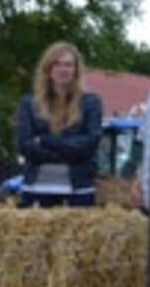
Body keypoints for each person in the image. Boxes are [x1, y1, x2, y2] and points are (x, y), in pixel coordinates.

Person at [15, 41, 103, 208]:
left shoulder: (91, 103)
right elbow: (25, 146)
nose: (63, 69)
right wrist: (69, 153)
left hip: (79, 190)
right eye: (57, 64)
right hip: (37, 189)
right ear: (48, 68)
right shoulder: (29, 103)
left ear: (76, 70)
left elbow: (90, 144)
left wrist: (46, 141)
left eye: (68, 65)